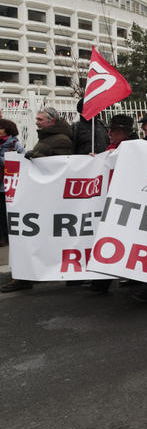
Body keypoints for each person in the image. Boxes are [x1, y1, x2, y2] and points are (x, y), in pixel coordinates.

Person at [3, 107, 73, 292]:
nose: (36, 122)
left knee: (35, 239)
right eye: (37, 119)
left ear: (52, 121)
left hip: (48, 199)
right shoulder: (49, 137)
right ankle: (26, 275)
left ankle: (27, 276)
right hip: (41, 197)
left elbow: (60, 168)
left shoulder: (61, 140)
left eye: (40, 119)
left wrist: (36, 158)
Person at [0, 119, 25, 246]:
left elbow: (20, 162)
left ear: (7, 130)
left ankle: (5, 237)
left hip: (7, 184)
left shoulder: (15, 144)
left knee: (4, 213)